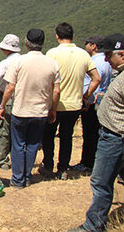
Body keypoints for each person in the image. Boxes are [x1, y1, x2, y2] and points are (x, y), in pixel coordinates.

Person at [72, 34, 124, 232]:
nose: (106, 58)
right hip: (113, 134)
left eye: (109, 54)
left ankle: (93, 226)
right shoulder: (118, 74)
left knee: (101, 181)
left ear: (122, 55)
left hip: (115, 136)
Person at [0, 29, 61, 188]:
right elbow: (56, 90)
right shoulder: (52, 63)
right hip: (40, 112)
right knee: (33, 144)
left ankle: (18, 179)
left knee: (18, 145)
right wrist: (53, 110)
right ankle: (26, 177)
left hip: (20, 110)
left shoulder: (18, 62)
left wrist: (2, 105)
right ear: (43, 43)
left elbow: (10, 87)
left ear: (26, 43)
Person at [43, 22, 101, 180]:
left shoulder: (52, 54)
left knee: (48, 135)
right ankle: (63, 169)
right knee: (66, 136)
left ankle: (48, 165)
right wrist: (85, 96)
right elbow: (97, 78)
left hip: (55, 103)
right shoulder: (83, 54)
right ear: (73, 36)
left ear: (56, 35)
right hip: (75, 104)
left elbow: (46, 78)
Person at [72, 35, 113, 173]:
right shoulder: (106, 61)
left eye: (87, 44)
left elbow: (96, 80)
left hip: (91, 102)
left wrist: (86, 97)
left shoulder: (95, 62)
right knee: (96, 133)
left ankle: (87, 162)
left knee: (89, 134)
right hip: (101, 101)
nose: (86, 46)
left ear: (94, 46)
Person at [0, 34, 21, 169]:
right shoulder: (23, 60)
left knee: (2, 128)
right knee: (17, 129)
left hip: (5, 98)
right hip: (21, 97)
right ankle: (17, 158)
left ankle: (2, 161)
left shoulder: (6, 63)